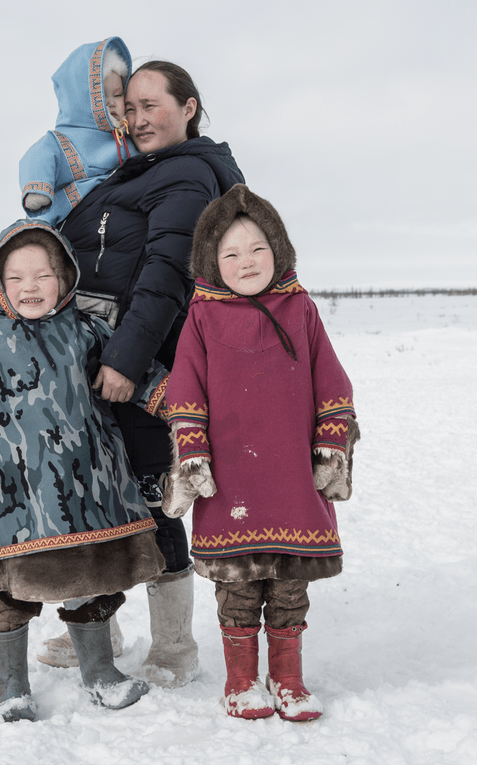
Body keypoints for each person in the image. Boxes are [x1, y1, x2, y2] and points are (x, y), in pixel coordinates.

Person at [34, 60, 246, 688]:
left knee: (155, 501)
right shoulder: (128, 175)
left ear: (189, 107)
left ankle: (175, 646)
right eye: (130, 107)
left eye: (152, 104)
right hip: (91, 363)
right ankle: (102, 626)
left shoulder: (188, 174)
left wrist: (126, 360)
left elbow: (165, 271)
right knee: (97, 498)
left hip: (146, 362)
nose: (138, 117)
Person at [0, 219, 171, 721]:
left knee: (94, 579)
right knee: (11, 591)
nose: (30, 287)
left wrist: (185, 410)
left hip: (92, 492)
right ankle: (11, 687)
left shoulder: (88, 332)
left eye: (42, 274)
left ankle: (101, 674)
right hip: (17, 499)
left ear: (65, 276)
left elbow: (139, 375)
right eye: (15, 277)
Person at [161, 184, 361, 722]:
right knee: (240, 586)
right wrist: (193, 453)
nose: (245, 262)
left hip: (292, 478)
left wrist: (330, 448)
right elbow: (185, 391)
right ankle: (241, 679)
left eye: (257, 250)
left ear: (279, 250)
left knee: (290, 586)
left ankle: (289, 678)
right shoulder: (201, 318)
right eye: (230, 254)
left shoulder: (301, 309)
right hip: (231, 482)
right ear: (210, 260)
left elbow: (332, 384)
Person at [19, 37, 136, 228]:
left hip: (116, 214)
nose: (111, 102)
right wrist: (38, 189)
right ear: (82, 99)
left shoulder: (127, 137)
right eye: (102, 95)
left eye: (118, 94)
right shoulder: (62, 140)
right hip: (70, 214)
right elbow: (37, 157)